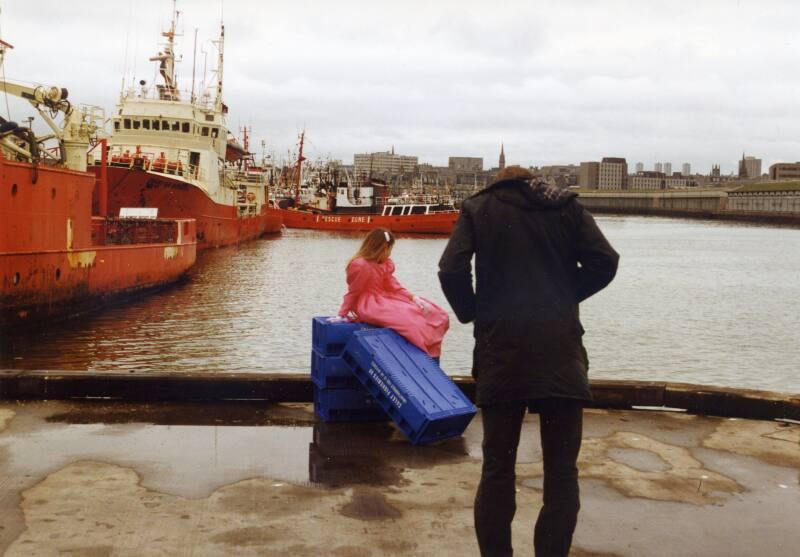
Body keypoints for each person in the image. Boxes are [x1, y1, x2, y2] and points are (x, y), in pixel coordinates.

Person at [438, 166, 619, 557]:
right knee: (561, 473)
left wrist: (474, 311)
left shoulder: (479, 207)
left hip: (502, 351)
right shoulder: (566, 207)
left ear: (500, 182)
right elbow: (606, 261)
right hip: (560, 355)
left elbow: (450, 268)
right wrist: (564, 296)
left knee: (498, 470)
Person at [338, 228, 449, 359]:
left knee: (434, 313)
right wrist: (342, 314)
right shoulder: (361, 265)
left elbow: (394, 285)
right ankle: (421, 355)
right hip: (371, 304)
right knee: (410, 321)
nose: (390, 253)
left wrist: (413, 297)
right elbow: (354, 292)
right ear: (381, 248)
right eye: (389, 249)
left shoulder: (385, 264)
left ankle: (431, 355)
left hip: (385, 298)